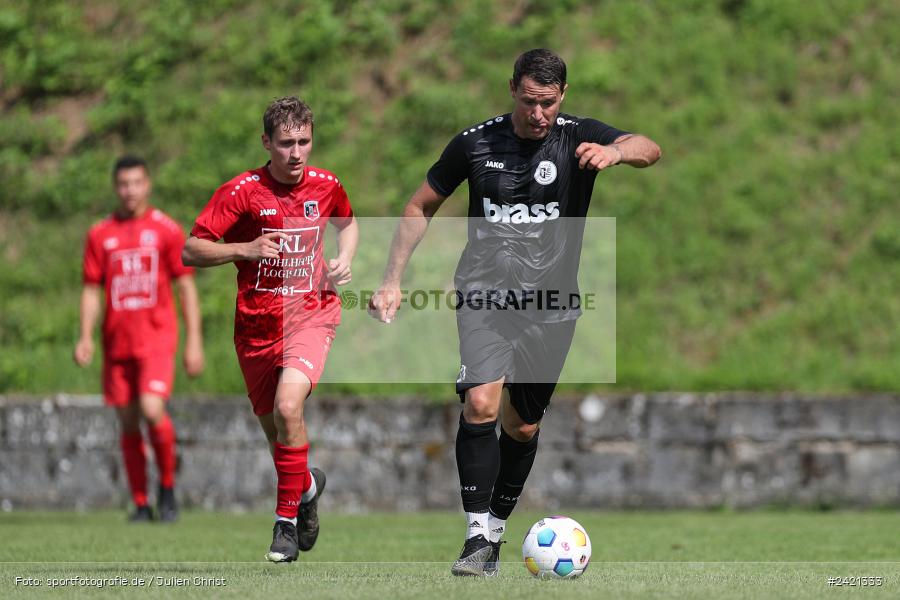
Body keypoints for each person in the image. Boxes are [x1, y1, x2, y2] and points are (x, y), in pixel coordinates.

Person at [369, 49, 661, 576]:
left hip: (552, 309)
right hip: (485, 297)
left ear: (562, 97)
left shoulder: (577, 136)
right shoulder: (475, 143)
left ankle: (498, 533)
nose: (538, 113)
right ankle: (477, 537)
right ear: (512, 90)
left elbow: (649, 147)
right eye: (529, 101)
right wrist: (392, 280)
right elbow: (420, 205)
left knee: (522, 427)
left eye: (548, 103)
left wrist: (617, 154)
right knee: (481, 402)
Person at [182, 96, 358, 563]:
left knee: (287, 405)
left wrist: (345, 258)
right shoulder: (241, 191)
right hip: (255, 328)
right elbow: (191, 249)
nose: (297, 153)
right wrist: (245, 249)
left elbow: (349, 222)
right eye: (286, 144)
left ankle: (283, 527)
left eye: (304, 142)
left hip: (312, 314)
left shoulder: (325, 185)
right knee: (277, 433)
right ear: (267, 143)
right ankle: (308, 489)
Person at [75, 156, 205, 523]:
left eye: (136, 183)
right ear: (115, 187)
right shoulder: (100, 234)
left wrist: (194, 341)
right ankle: (140, 502)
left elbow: (186, 287)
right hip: (118, 344)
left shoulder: (165, 230)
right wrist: (85, 336)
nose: (129, 190)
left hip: (157, 340)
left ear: (147, 184)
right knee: (128, 422)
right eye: (123, 184)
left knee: (152, 410)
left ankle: (166, 487)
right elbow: (90, 289)